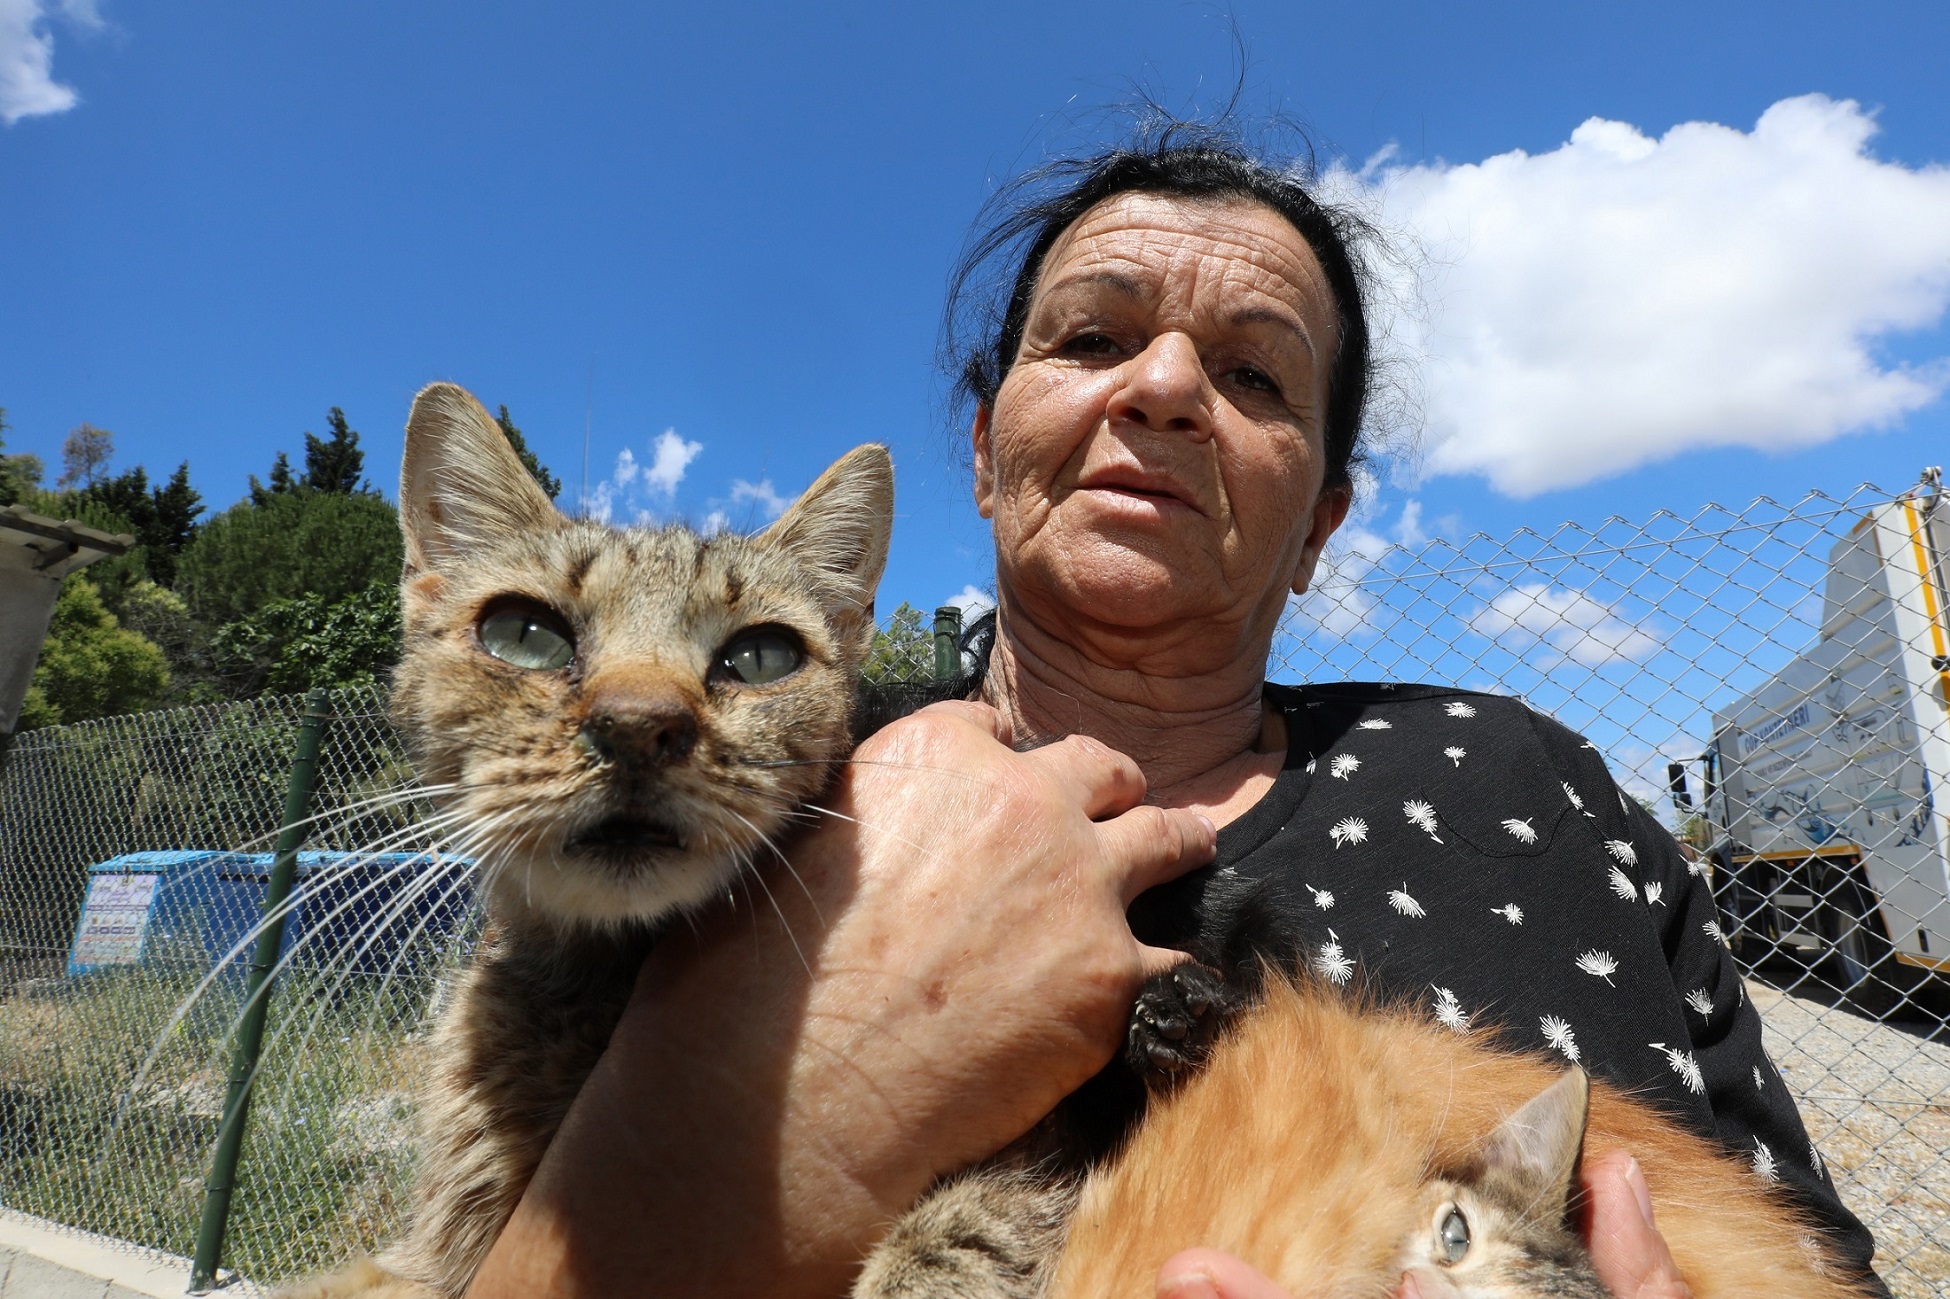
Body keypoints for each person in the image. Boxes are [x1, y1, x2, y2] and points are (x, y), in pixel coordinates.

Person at [466, 123, 1884, 1299]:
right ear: (985, 452)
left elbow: (1817, 1251)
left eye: (1254, 373)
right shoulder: (759, 798)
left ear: (1320, 521)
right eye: (1093, 337)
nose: (1162, 387)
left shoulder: (1520, 776)